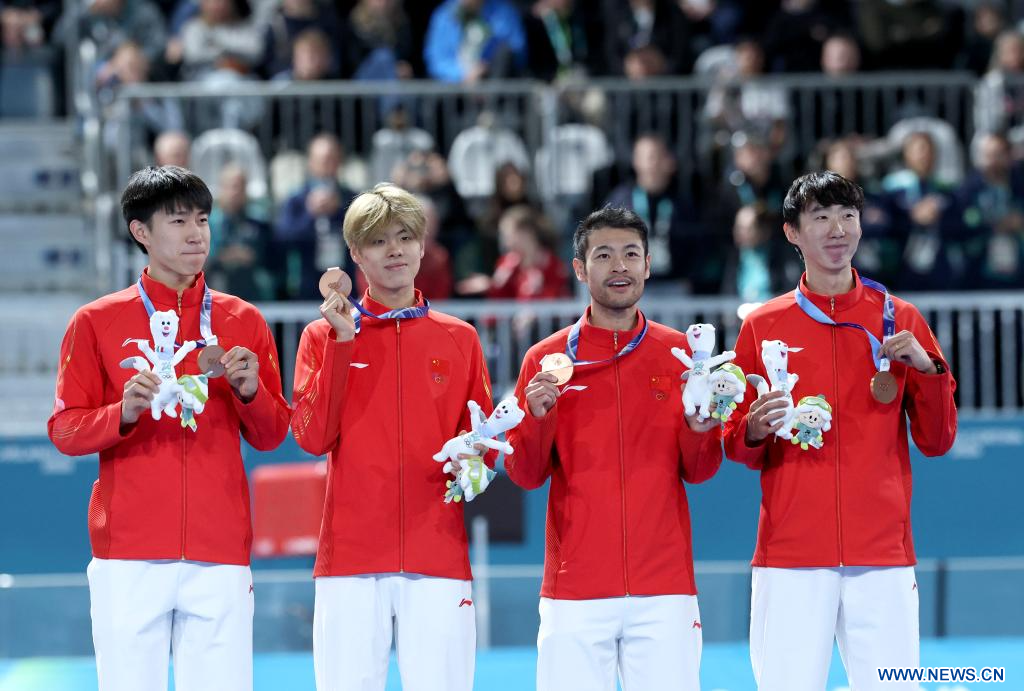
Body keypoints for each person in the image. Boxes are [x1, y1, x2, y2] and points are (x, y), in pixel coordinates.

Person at [47, 166, 291, 691]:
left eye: (202, 219)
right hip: (128, 554)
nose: (196, 233)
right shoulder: (95, 321)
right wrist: (121, 413)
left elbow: (273, 435)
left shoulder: (243, 320)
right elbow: (65, 429)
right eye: (178, 221)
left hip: (219, 550)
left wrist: (251, 393)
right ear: (141, 232)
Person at [722, 171, 957, 690]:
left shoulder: (902, 319)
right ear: (792, 232)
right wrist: (753, 429)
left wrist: (928, 371)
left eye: (848, 216)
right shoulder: (763, 325)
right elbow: (737, 443)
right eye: (821, 217)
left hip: (882, 552)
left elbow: (937, 441)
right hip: (791, 553)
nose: (837, 229)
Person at [505, 206, 723, 691]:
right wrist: (538, 420)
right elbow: (525, 474)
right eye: (604, 255)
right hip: (575, 590)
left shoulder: (681, 357)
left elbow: (702, 470)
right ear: (580, 269)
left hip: (664, 588)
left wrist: (698, 429)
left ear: (648, 264)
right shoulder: (545, 360)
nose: (619, 266)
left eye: (631, 254)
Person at [290, 183, 496, 691]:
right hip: (350, 558)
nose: (395, 250)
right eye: (379, 241)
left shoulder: (460, 338)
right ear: (356, 253)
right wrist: (342, 343)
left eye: (405, 237)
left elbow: (483, 441)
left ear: (423, 246)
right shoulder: (321, 336)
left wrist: (477, 464)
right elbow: (312, 438)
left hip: (437, 553)